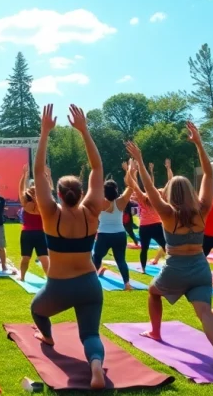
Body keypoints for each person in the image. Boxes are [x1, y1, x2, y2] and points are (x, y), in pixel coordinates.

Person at [127, 123, 213, 373]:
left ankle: (155, 331)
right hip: (199, 268)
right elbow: (208, 174)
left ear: (171, 193)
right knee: (205, 311)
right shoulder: (203, 209)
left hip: (176, 268)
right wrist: (198, 144)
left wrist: (139, 160)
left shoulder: (166, 212)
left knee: (153, 292)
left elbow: (149, 189)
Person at [30, 105, 108, 389]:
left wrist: (45, 132)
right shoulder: (92, 212)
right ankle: (96, 366)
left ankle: (48, 337)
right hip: (89, 283)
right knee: (89, 334)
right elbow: (98, 168)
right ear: (80, 192)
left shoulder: (52, 214)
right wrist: (84, 131)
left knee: (37, 310)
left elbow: (38, 171)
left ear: (59, 194)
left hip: (59, 287)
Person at [92, 169, 131, 289]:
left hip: (104, 235)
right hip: (119, 234)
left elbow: (93, 189)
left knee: (97, 257)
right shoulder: (121, 201)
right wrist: (129, 171)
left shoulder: (100, 202)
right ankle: (127, 284)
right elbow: (131, 186)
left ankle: (91, 281)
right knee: (121, 260)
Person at [18, 164, 50, 281]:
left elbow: (20, 189)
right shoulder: (42, 204)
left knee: (27, 258)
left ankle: (22, 278)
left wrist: (24, 176)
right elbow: (47, 190)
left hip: (28, 234)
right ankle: (48, 278)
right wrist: (46, 178)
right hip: (39, 233)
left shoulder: (26, 204)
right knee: (43, 258)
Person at [136, 177, 166, 274]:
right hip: (157, 226)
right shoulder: (157, 200)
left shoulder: (143, 199)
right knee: (166, 246)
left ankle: (143, 269)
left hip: (145, 227)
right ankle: (174, 265)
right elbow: (149, 186)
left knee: (144, 249)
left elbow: (135, 186)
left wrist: (131, 173)